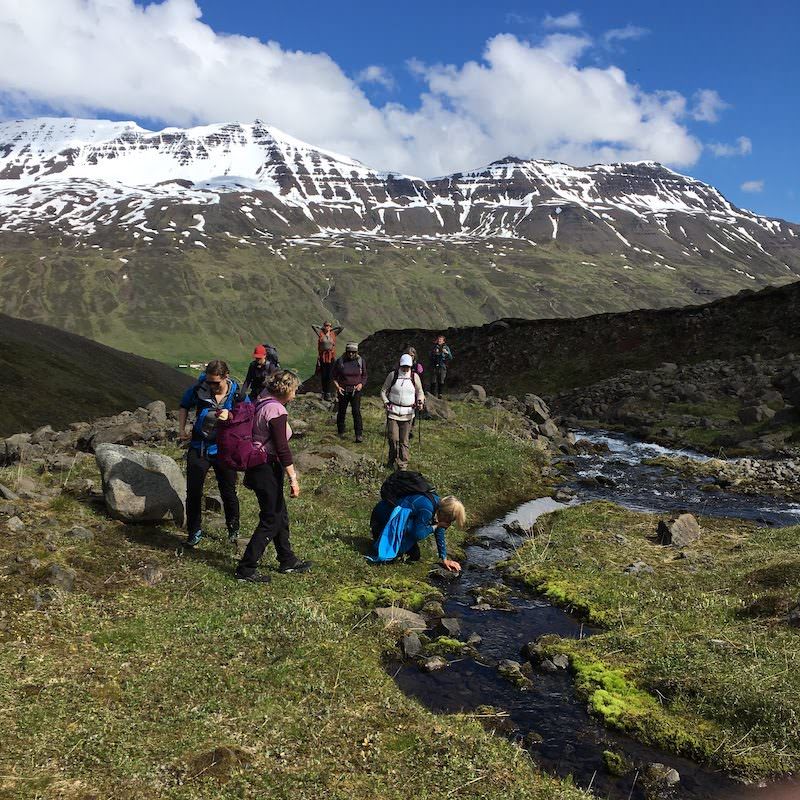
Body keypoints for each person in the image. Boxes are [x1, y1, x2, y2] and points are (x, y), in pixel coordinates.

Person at [234, 370, 312, 583]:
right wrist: (293, 478)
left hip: (259, 465)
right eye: (294, 390)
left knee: (280, 513)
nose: (295, 394)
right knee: (271, 518)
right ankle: (246, 568)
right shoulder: (276, 410)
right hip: (266, 467)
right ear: (286, 390)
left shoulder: (262, 401)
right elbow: (282, 448)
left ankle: (287, 559)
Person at [178, 360, 245, 547]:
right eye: (209, 382)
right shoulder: (200, 389)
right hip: (199, 447)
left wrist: (231, 417)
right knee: (193, 492)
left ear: (226, 377)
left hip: (224, 450)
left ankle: (233, 529)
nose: (212, 386)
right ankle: (194, 532)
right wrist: (181, 430)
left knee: (228, 491)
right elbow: (184, 405)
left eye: (216, 382)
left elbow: (247, 415)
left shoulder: (237, 394)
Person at [369, 493, 465, 572]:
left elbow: (439, 530)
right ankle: (381, 542)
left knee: (415, 555)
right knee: (390, 558)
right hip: (381, 522)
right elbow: (417, 534)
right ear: (444, 514)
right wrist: (436, 526)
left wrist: (444, 558)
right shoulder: (427, 509)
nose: (448, 524)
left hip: (392, 521)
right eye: (449, 521)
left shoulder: (438, 503)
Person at [380, 354, 424, 470]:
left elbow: (420, 391)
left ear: (411, 366)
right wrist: (386, 402)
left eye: (408, 366)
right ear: (400, 364)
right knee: (393, 439)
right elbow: (383, 390)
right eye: (403, 366)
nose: (405, 369)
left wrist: (420, 401)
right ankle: (392, 459)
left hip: (408, 413)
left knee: (404, 441)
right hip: (393, 412)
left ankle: (402, 465)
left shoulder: (415, 377)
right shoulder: (393, 375)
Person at [332, 342, 367, 443]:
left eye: (353, 352)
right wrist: (338, 387)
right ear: (346, 351)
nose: (351, 354)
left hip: (356, 391)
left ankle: (358, 434)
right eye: (349, 352)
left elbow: (364, 375)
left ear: (356, 352)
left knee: (356, 412)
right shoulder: (340, 361)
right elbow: (334, 376)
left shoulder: (360, 361)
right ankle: (340, 432)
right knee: (341, 411)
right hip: (343, 390)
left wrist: (361, 384)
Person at [312, 320, 344, 401]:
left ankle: (328, 393)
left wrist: (332, 329)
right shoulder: (320, 334)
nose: (327, 327)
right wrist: (321, 328)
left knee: (330, 375)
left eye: (329, 326)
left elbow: (341, 328)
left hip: (331, 357)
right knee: (324, 375)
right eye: (326, 325)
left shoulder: (333, 334)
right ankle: (324, 392)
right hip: (323, 357)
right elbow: (313, 326)